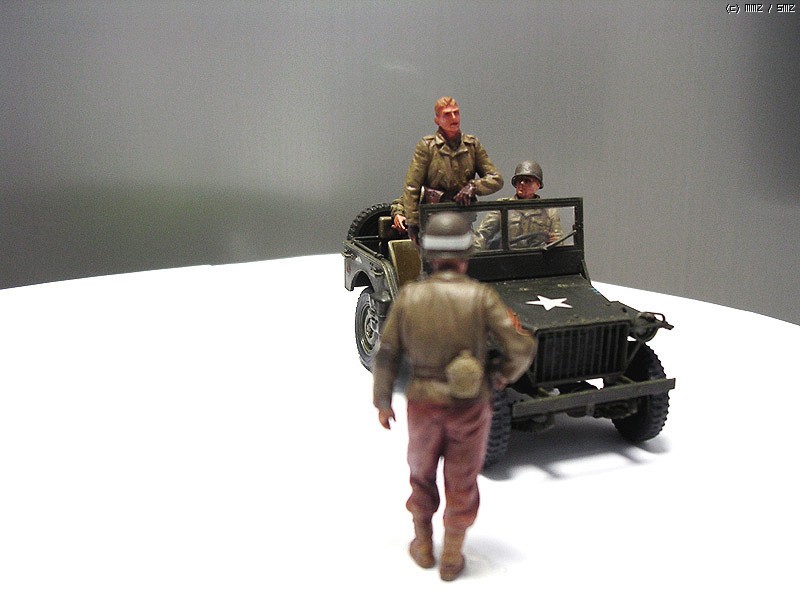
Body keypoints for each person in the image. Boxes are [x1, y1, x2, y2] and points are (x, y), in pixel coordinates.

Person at [372, 212, 536, 581]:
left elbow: (387, 353)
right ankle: (451, 556)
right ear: (465, 255)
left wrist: (383, 402)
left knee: (421, 475)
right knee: (462, 480)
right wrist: (500, 376)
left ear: (428, 254)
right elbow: (521, 348)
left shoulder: (410, 296)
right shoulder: (481, 297)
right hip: (469, 405)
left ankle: (423, 544)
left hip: (422, 403)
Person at [398, 97, 503, 240]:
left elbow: (496, 179)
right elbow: (412, 186)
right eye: (447, 114)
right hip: (435, 219)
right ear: (437, 120)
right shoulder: (427, 146)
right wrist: (413, 222)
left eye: (456, 113)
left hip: (462, 217)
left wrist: (474, 187)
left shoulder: (472, 145)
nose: (454, 118)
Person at [474, 160, 564, 249]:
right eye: (519, 180)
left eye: (527, 180)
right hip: (509, 255)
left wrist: (554, 243)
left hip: (538, 255)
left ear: (538, 185)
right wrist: (474, 253)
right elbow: (483, 233)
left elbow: (558, 240)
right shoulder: (503, 207)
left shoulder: (549, 211)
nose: (522, 183)